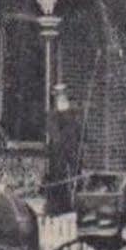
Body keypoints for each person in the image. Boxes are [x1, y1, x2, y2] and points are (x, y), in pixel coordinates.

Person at [42, 83, 84, 217]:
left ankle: (75, 206)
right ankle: (58, 208)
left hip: (73, 152)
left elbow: (79, 133)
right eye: (59, 95)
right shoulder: (52, 115)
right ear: (55, 98)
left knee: (76, 178)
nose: (62, 98)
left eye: (64, 95)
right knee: (58, 179)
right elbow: (55, 135)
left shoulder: (73, 115)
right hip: (58, 154)